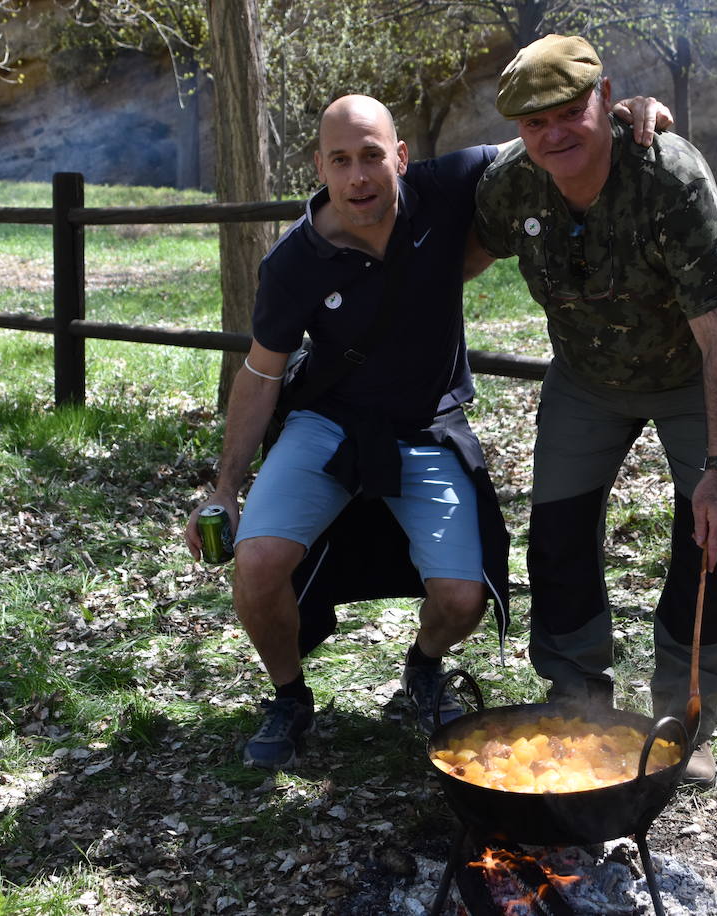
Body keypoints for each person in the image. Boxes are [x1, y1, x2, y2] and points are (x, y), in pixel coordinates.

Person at [184, 93, 671, 771]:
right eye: (340, 161)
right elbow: (262, 374)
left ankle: (423, 666)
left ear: (402, 157)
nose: (359, 176)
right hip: (327, 424)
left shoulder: (449, 187)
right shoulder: (293, 262)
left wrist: (623, 113)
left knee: (463, 598)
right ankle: (289, 696)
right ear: (320, 168)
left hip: (427, 426)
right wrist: (225, 488)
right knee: (258, 562)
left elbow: (546, 140)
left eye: (372, 156)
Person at [473, 35, 717, 788]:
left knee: (711, 541)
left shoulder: (670, 179)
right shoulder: (513, 184)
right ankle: (577, 699)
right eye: (535, 123)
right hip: (587, 378)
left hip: (693, 374)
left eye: (570, 112)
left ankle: (684, 722)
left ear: (605, 98)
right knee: (558, 533)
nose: (554, 135)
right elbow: (454, 251)